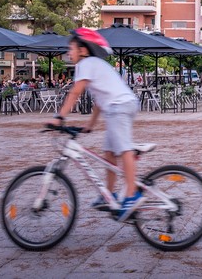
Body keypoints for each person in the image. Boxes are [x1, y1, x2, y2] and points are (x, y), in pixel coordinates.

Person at [54, 28, 143, 222]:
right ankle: (109, 196)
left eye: (71, 48)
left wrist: (59, 117)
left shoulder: (86, 64)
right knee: (109, 153)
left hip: (119, 106)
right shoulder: (96, 64)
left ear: (83, 50)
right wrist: (90, 124)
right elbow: (99, 101)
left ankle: (131, 195)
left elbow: (75, 92)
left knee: (124, 148)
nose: (69, 52)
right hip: (118, 106)